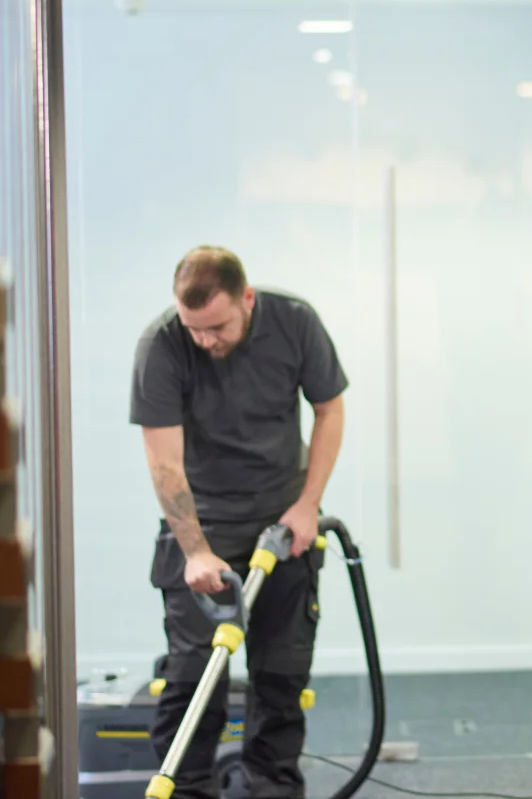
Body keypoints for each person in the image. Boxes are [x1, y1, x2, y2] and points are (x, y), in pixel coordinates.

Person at [131, 246, 348, 799]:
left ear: (246, 299)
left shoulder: (295, 323)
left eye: (218, 327)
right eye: (194, 328)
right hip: (201, 527)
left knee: (281, 680)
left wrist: (308, 505)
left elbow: (329, 409)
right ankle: (189, 791)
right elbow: (164, 461)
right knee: (192, 681)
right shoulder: (162, 345)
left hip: (284, 523)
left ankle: (271, 790)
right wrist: (196, 550)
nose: (206, 341)